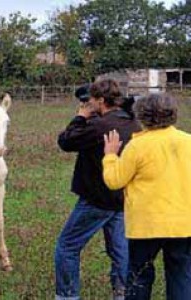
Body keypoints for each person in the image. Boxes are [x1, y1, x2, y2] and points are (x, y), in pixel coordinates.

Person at [55, 79, 141, 300]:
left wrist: (80, 117)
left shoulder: (99, 125)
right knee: (121, 251)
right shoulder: (132, 122)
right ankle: (122, 293)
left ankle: (67, 296)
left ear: (100, 100)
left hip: (97, 199)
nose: (88, 103)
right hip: (122, 197)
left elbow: (65, 141)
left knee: (67, 247)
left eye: (91, 100)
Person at [103, 93, 191, 300]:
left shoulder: (137, 146)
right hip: (183, 223)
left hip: (146, 225)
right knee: (181, 276)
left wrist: (110, 156)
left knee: (139, 277)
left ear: (141, 116)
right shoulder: (188, 141)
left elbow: (114, 180)